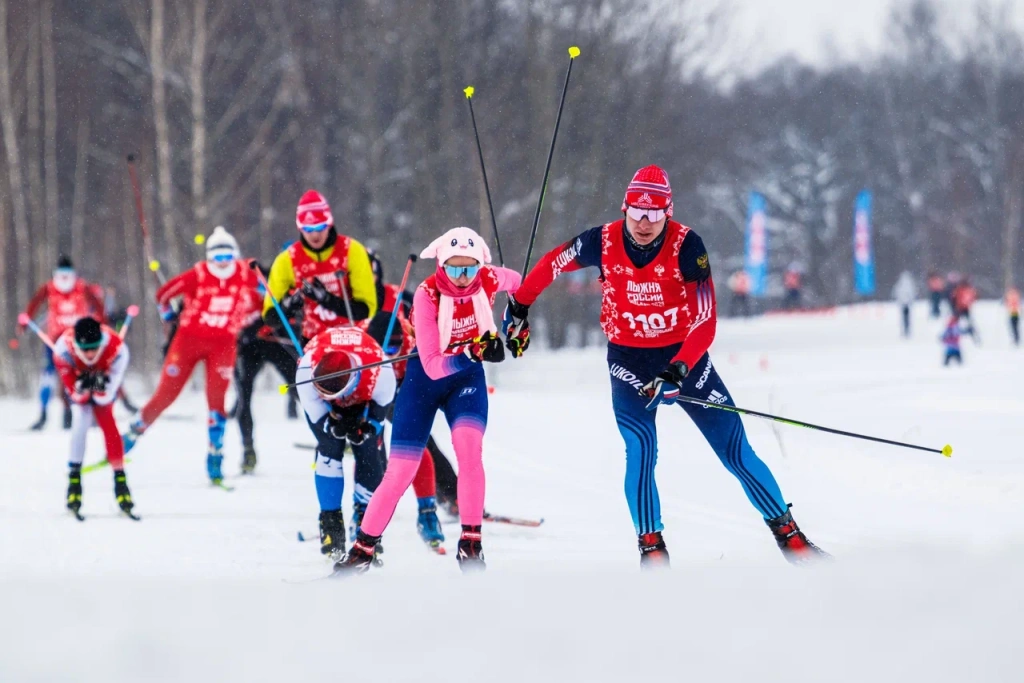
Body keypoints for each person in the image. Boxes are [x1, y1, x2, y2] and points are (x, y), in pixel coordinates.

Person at [502, 165, 826, 568]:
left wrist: (679, 369)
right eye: (637, 213)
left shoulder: (688, 246)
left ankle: (790, 537)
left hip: (683, 358)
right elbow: (553, 262)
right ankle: (652, 549)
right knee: (640, 447)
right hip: (628, 360)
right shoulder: (601, 241)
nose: (644, 223)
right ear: (625, 209)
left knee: (735, 450)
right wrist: (521, 304)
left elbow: (705, 320)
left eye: (654, 214)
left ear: (667, 213)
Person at [334, 227, 521, 574]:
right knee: (400, 472)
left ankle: (471, 544)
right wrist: (475, 351)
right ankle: (362, 550)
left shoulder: (489, 279)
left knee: (469, 450)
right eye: (454, 268)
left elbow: (520, 283)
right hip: (425, 381)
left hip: (465, 382)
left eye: (470, 269)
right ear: (440, 264)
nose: (462, 278)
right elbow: (434, 366)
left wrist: (516, 323)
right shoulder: (427, 294)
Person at [121, 227, 261, 484]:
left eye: (227, 256)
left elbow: (270, 290)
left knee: (217, 402)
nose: (223, 263)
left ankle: (215, 457)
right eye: (217, 257)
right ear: (209, 257)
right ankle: (130, 435)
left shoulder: (245, 273)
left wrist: (267, 313)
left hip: (223, 345)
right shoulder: (199, 274)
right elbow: (163, 294)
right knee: (165, 396)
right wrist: (168, 315)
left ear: (235, 255)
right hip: (188, 342)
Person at [361, 250, 447, 548]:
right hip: (370, 390)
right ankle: (363, 512)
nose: (388, 355)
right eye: (382, 352)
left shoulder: (413, 340)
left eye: (393, 350)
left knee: (415, 446)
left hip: (403, 389)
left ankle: (428, 511)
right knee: (369, 446)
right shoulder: (362, 340)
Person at [296, 325, 395, 561]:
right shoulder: (306, 370)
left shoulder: (382, 373)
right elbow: (318, 416)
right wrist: (332, 426)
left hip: (365, 396)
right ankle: (330, 523)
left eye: (331, 394)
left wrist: (367, 427)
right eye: (321, 391)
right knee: (329, 447)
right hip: (329, 401)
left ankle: (365, 520)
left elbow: (378, 418)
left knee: (369, 448)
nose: (327, 396)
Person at [262, 190, 377, 344]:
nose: (315, 235)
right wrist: (288, 306)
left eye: (320, 227)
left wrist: (327, 299)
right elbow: (270, 317)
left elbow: (367, 309)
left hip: (353, 340)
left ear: (329, 223)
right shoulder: (287, 260)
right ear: (300, 228)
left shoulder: (352, 251)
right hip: (313, 343)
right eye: (308, 229)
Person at [53, 317, 135, 519]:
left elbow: (106, 396)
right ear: (76, 345)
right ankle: (74, 480)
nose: (90, 354)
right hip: (78, 379)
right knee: (80, 420)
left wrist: (98, 386)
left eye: (94, 348)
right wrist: (81, 387)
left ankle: (120, 480)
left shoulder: (118, 349)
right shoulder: (62, 349)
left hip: (104, 384)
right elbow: (75, 396)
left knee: (107, 419)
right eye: (85, 349)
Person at [19, 256, 106, 431]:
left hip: (63, 339)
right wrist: (102, 322)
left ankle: (49, 414)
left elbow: (35, 302)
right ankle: (87, 412)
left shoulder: (52, 286)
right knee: (82, 372)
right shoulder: (80, 285)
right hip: (74, 339)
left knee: (55, 374)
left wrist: (25, 320)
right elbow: (97, 304)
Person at [233, 268, 301, 474]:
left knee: (301, 389)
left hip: (275, 343)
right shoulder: (235, 287)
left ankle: (329, 438)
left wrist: (262, 326)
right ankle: (248, 450)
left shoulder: (275, 278)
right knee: (244, 397)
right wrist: (244, 333)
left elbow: (283, 312)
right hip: (248, 348)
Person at [951, 277, 979, 343]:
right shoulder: (967, 289)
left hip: (961, 307)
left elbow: (953, 297)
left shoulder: (960, 289)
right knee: (964, 321)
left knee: (957, 321)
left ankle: (953, 333)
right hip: (963, 307)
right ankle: (971, 333)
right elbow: (974, 297)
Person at [891, 271, 916, 338]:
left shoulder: (899, 284)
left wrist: (899, 300)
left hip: (903, 304)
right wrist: (911, 300)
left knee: (904, 318)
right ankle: (907, 329)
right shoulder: (909, 284)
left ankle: (905, 329)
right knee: (907, 318)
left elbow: (895, 293)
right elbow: (912, 293)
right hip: (907, 304)